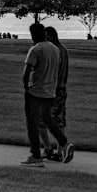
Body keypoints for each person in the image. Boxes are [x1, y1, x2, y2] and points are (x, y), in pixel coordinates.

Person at [21, 22, 74, 167]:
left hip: (36, 91)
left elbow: (27, 72)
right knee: (47, 119)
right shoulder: (55, 49)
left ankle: (35, 155)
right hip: (50, 92)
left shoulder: (35, 49)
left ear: (33, 34)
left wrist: (26, 87)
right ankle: (63, 143)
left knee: (32, 124)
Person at [38, 26, 69, 160]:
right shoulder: (64, 50)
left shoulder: (54, 51)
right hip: (62, 89)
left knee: (41, 119)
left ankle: (47, 147)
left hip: (52, 90)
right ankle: (60, 151)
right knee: (59, 120)